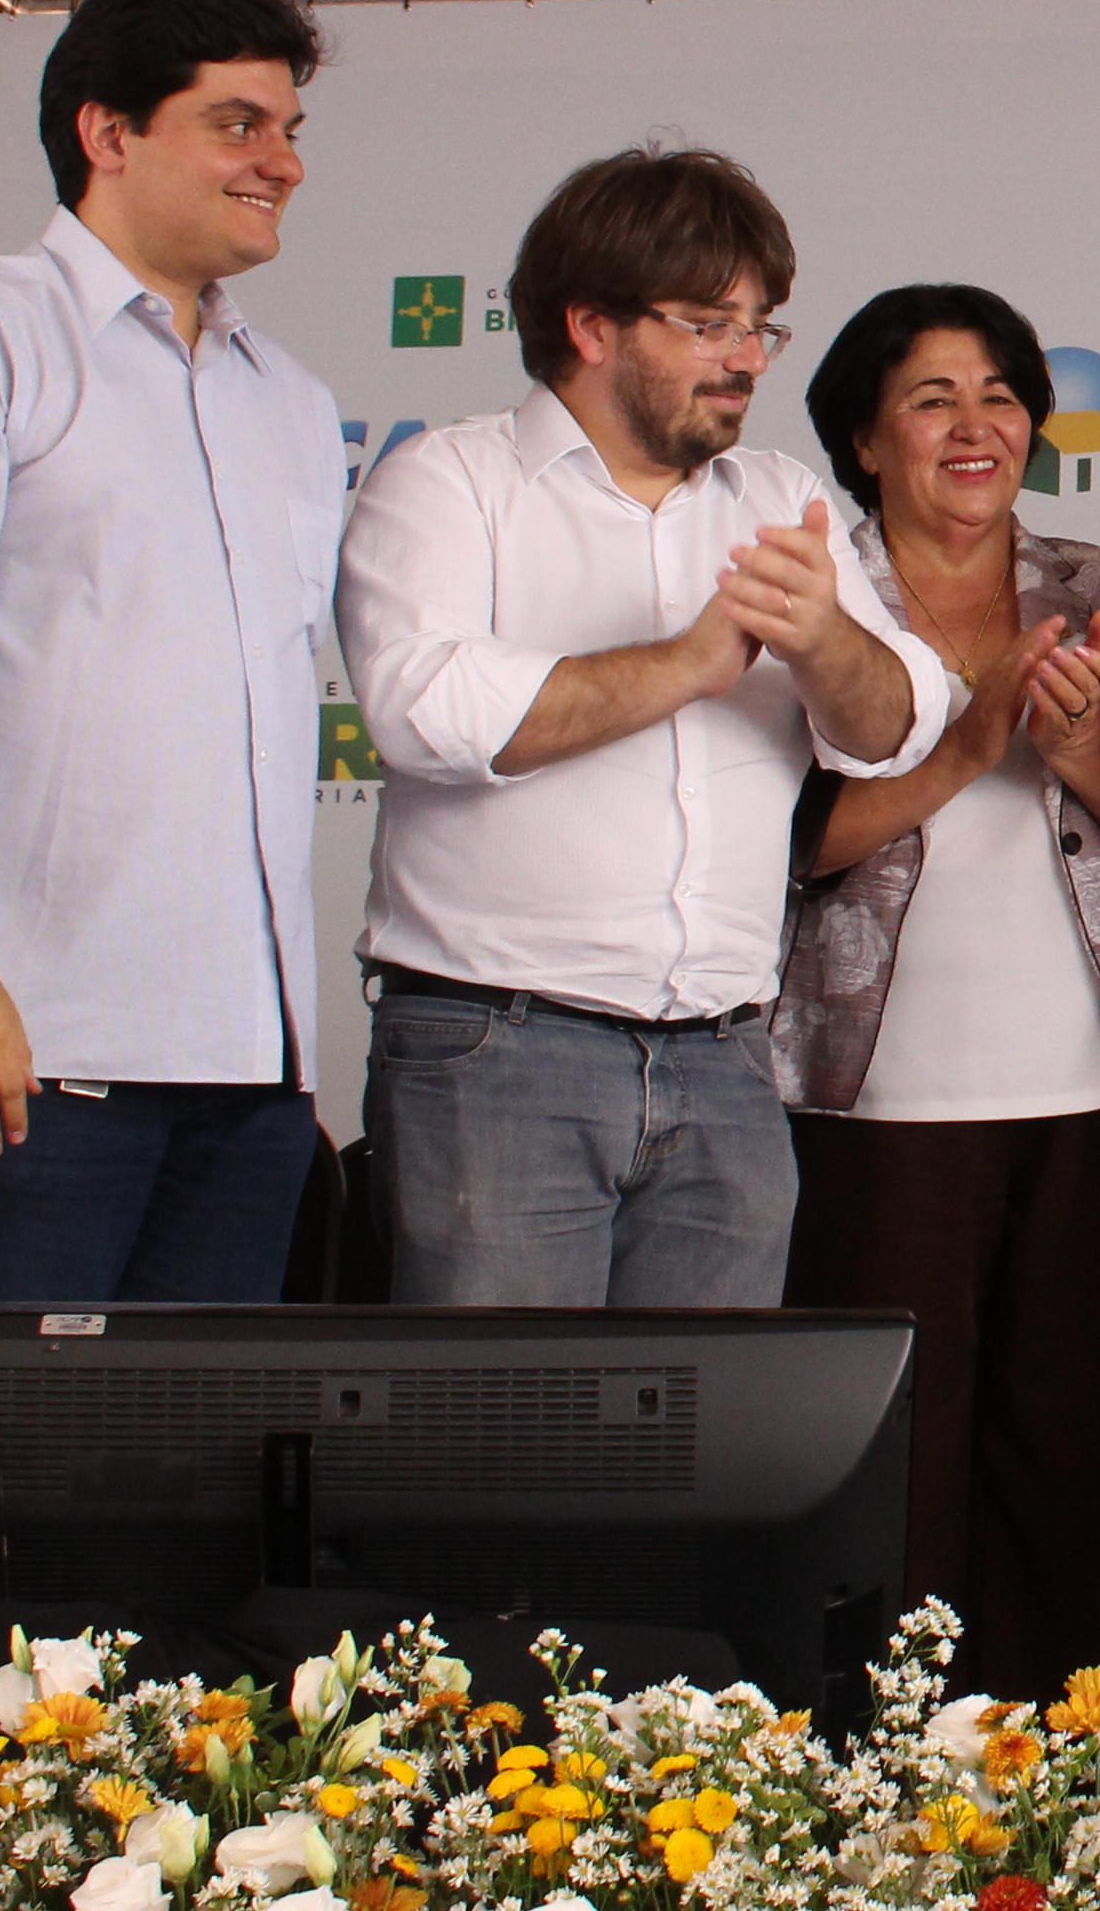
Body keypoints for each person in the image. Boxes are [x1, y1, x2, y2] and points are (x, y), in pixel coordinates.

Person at [0, 0, 347, 1302]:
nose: (282, 163)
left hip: (254, 1083)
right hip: (26, 1059)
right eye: (238, 125)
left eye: (289, 131)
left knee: (200, 1501)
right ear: (108, 134)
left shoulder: (293, 401)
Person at [335, 148, 944, 1306]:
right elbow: (425, 711)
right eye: (711, 322)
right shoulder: (449, 481)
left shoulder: (774, 492)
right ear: (592, 326)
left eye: (762, 326)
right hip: (498, 1051)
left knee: (707, 1466)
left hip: (726, 1058)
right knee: (501, 1457)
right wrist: (691, 663)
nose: (747, 358)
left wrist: (825, 642)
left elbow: (898, 723)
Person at [771, 283, 1100, 1694]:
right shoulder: (816, 594)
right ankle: (881, 1790)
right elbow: (787, 844)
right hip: (870, 1102)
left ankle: (1064, 1776)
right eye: (932, 396)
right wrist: (971, 739)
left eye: (1000, 393)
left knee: (1078, 1455)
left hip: (1099, 1090)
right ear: (864, 437)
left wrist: (1074, 756)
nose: (977, 423)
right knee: (892, 1465)